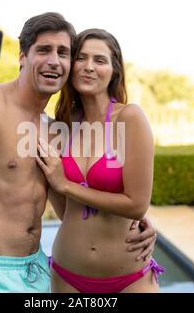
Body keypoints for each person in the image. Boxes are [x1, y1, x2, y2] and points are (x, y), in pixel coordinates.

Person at [0, 12, 157, 293]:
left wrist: (131, 221)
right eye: (43, 50)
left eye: (63, 53)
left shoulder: (55, 130)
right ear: (22, 55)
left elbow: (69, 205)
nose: (54, 61)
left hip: (37, 270)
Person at [36, 28, 164, 293]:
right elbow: (65, 211)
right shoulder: (61, 128)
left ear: (114, 70)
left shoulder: (129, 118)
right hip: (67, 275)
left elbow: (137, 205)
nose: (89, 67)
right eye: (81, 58)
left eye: (100, 60)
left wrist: (68, 185)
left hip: (130, 279)